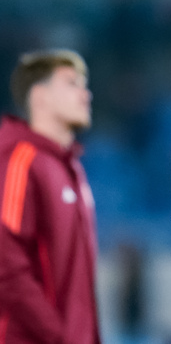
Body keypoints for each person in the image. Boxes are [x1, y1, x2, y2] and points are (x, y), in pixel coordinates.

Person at [0, 49, 100, 343]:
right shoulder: (20, 161)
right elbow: (6, 265)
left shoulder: (72, 169)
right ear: (39, 96)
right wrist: (59, 335)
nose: (86, 95)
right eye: (72, 84)